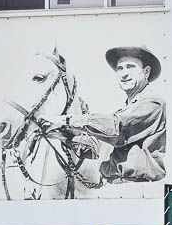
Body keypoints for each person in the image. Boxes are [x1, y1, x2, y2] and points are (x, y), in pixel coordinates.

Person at [59, 46, 166, 183]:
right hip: (114, 187)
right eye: (120, 69)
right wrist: (63, 137)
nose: (124, 73)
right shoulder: (125, 109)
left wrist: (66, 121)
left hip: (139, 188)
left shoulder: (153, 103)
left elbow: (117, 128)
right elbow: (95, 148)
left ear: (146, 72)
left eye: (130, 67)